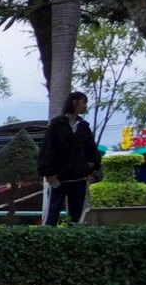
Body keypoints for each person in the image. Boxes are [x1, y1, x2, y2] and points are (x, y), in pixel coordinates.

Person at [38, 91, 103, 224]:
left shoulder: (84, 126)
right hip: (59, 178)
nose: (85, 106)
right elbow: (48, 148)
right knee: (53, 211)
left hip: (79, 177)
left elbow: (91, 148)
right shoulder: (57, 125)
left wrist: (92, 164)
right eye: (84, 103)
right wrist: (48, 173)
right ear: (75, 102)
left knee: (76, 213)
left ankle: (72, 238)